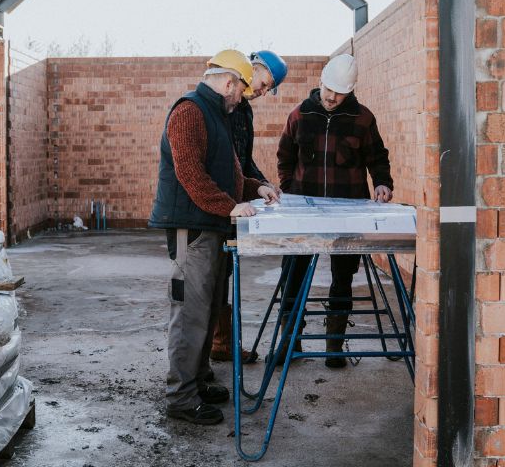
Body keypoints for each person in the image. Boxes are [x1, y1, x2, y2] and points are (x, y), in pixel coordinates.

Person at [148, 49, 279, 425]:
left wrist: (255, 188)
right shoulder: (190, 111)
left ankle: (200, 378)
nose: (244, 97)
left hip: (211, 224)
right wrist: (229, 207)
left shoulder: (218, 114)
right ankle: (181, 397)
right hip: (194, 228)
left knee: (206, 309)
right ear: (228, 82)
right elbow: (191, 173)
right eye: (241, 89)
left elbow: (228, 172)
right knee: (190, 313)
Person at [276, 54, 393, 368]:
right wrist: (290, 188)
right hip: (304, 210)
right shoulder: (299, 115)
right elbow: (285, 156)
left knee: (343, 277)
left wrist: (382, 182)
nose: (331, 97)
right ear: (321, 81)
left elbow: (377, 156)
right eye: (329, 89)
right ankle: (289, 344)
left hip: (348, 210)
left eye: (339, 92)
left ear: (350, 91)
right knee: (294, 274)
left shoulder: (363, 118)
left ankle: (334, 346)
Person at [210, 50, 289, 362]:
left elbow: (243, 161)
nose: (262, 90)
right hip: (218, 203)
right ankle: (217, 345)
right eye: (263, 82)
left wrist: (263, 184)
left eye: (268, 89)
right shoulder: (224, 103)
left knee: (224, 273)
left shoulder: (245, 112)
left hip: (234, 200)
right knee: (213, 276)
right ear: (252, 68)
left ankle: (221, 344)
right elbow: (224, 161)